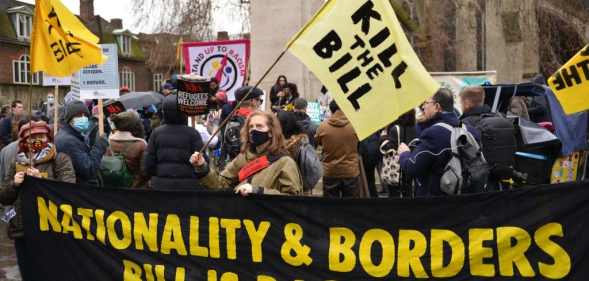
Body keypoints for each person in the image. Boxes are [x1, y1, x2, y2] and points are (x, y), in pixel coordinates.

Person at [0, 120, 75, 280]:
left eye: (41, 136)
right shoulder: (17, 162)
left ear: (48, 137)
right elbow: (4, 198)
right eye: (31, 137)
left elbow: (69, 191)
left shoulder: (59, 159)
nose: (36, 140)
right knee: (28, 272)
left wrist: (42, 180)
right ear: (23, 141)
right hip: (22, 229)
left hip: (51, 229)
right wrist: (15, 183)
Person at [190, 111, 302, 195]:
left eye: (259, 126)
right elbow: (220, 185)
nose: (253, 130)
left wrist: (258, 191)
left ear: (271, 132)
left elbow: (292, 199)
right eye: (251, 127)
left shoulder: (285, 162)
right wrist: (202, 167)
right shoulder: (243, 157)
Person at [398, 88, 479, 197]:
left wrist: (404, 153)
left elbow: (412, 167)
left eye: (426, 103)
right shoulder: (470, 130)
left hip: (437, 202)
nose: (423, 106)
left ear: (437, 107)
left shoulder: (433, 134)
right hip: (467, 198)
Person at [144, 95, 206, 190]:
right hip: (188, 188)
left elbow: (148, 164)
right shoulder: (193, 133)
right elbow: (203, 166)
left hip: (161, 187)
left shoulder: (156, 133)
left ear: (164, 113)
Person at [55, 100, 108, 187]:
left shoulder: (72, 135)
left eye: (85, 115)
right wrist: (100, 146)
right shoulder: (68, 141)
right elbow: (89, 170)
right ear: (69, 119)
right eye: (79, 115)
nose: (83, 118)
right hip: (79, 189)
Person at [315, 100, 360, 198]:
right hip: (350, 171)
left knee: (331, 208)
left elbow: (317, 142)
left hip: (330, 171)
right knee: (351, 207)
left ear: (331, 110)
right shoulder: (355, 126)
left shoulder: (323, 127)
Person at [220, 86, 264, 164]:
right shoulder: (243, 120)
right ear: (252, 101)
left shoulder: (235, 117)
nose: (260, 104)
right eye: (260, 100)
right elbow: (236, 150)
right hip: (245, 167)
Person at [379, 109, 417, 197]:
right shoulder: (415, 128)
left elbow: (388, 147)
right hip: (408, 164)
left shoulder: (395, 129)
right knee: (408, 190)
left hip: (396, 169)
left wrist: (383, 135)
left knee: (394, 193)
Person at [108, 111, 149, 188]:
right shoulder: (141, 144)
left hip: (114, 185)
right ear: (135, 125)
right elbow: (144, 172)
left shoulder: (109, 140)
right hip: (135, 188)